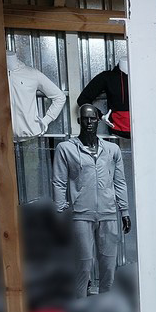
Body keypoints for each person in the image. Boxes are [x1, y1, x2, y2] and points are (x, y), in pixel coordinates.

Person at [52, 104, 131, 298]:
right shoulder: (66, 148)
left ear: (98, 121)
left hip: (109, 214)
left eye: (92, 118)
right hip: (80, 215)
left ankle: (104, 307)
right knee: (83, 265)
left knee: (108, 266)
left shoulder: (112, 149)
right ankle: (79, 307)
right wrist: (60, 213)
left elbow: (119, 181)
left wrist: (125, 211)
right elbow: (59, 182)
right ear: (79, 121)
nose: (89, 122)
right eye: (85, 118)